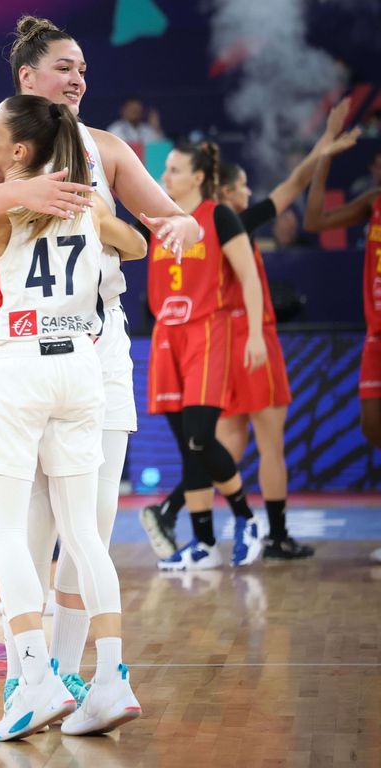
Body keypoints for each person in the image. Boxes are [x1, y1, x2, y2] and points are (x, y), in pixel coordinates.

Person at [0, 15, 204, 711]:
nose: (78, 79)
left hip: (96, 351)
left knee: (89, 525)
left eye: (82, 69)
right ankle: (31, 676)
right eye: (64, 68)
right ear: (27, 78)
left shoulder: (105, 148)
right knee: (36, 525)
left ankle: (75, 675)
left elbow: (167, 225)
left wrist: (177, 223)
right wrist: (24, 192)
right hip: (19, 347)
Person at [0, 95, 145, 740]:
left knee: (6, 531)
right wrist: (97, 214)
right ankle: (111, 679)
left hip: (18, 367)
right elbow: (136, 245)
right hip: (81, 370)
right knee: (83, 533)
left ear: (20, 152)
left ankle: (35, 681)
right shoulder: (86, 201)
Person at [138, 101, 360, 561]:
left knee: (219, 441)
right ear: (226, 187)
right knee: (233, 442)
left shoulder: (224, 220)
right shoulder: (195, 217)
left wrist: (322, 148)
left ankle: (212, 518)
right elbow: (289, 186)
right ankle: (233, 530)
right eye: (244, 186)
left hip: (220, 340)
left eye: (173, 169)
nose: (250, 192)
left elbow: (287, 192)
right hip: (205, 340)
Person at [146, 142, 270, 571]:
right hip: (167, 335)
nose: (166, 178)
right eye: (166, 171)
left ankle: (247, 518)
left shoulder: (219, 215)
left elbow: (249, 277)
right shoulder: (157, 218)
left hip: (207, 331)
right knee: (187, 446)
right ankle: (202, 541)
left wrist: (255, 333)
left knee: (201, 435)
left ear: (198, 177)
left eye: (176, 170)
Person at [303, 137, 381, 453]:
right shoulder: (374, 201)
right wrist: (324, 158)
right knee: (372, 425)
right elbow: (314, 220)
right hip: (376, 330)